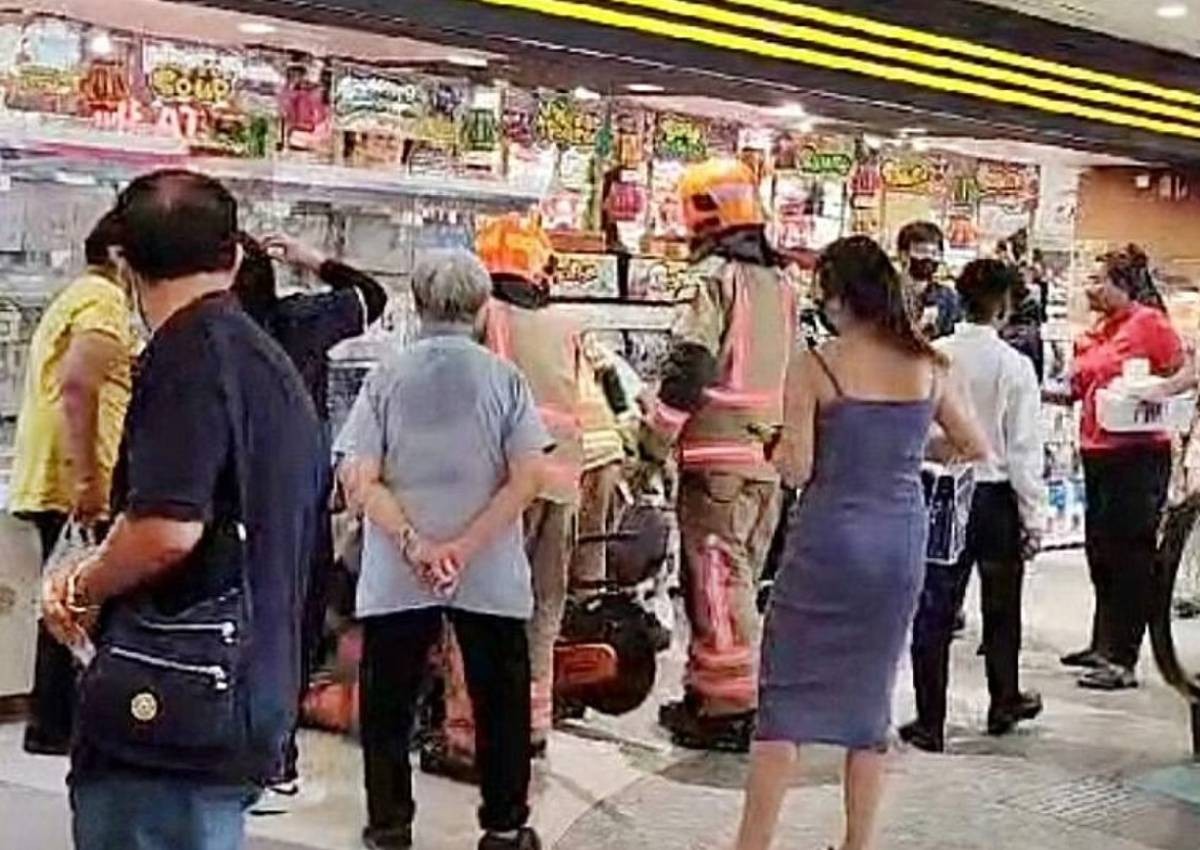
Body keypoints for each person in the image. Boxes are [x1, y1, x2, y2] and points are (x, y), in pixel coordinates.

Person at [41, 169, 326, 850]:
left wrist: (80, 585)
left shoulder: (186, 356)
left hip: (172, 701)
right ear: (232, 254)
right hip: (246, 682)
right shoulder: (260, 357)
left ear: (124, 263)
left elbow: (167, 529)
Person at [733, 236, 988, 850]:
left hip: (828, 541)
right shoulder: (929, 363)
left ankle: (753, 843)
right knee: (870, 703)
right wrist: (907, 448)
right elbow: (973, 445)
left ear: (842, 297)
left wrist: (772, 444)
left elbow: (797, 469)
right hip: (898, 543)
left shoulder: (816, 364)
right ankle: (857, 843)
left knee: (784, 701)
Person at [337, 249, 550, 850]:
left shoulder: (386, 378)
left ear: (418, 303)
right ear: (482, 308)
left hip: (398, 571)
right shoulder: (505, 379)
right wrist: (464, 547)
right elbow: (528, 479)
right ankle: (505, 826)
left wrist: (417, 546)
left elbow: (360, 479)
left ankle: (389, 827)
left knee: (388, 704)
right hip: (488, 571)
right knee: (500, 701)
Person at [641, 158, 791, 752]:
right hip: (765, 463)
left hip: (716, 462)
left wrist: (655, 437)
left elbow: (691, 366)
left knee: (714, 584)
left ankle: (729, 708)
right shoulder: (782, 285)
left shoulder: (715, 280)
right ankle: (710, 694)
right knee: (740, 580)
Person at [233, 232, 387, 796]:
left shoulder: (214, 337)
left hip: (233, 503)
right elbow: (371, 295)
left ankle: (237, 753)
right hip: (299, 499)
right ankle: (277, 757)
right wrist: (312, 258)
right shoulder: (302, 320)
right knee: (292, 624)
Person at [900, 259, 1045, 753]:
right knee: (1002, 606)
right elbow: (1024, 450)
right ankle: (1004, 701)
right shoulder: (1015, 365)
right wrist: (1033, 517)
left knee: (934, 608)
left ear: (959, 300)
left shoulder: (933, 355)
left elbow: (915, 430)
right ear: (1004, 306)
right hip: (996, 498)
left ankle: (929, 721)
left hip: (943, 492)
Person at [9, 210, 137, 756]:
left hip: (56, 471)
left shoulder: (78, 295)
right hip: (77, 478)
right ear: (119, 256)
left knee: (65, 599)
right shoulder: (103, 300)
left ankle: (53, 723)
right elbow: (80, 383)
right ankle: (61, 724)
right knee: (79, 601)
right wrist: (89, 479)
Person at [1058, 245, 1183, 690]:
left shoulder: (1148, 323)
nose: (1089, 288)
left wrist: (1158, 391)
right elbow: (1080, 382)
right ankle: (1103, 643)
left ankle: (1123, 657)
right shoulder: (1101, 329)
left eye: (1098, 281)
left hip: (1138, 455)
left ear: (1123, 286)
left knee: (1131, 554)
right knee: (1101, 550)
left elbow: (1185, 370)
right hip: (1098, 450)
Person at [898, 221, 960, 340]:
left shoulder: (948, 298)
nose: (929, 258)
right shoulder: (888, 294)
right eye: (922, 251)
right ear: (904, 255)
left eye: (935, 253)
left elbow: (954, 338)